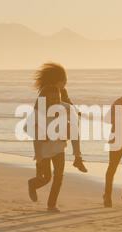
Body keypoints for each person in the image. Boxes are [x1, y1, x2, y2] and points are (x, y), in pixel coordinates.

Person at [28, 63, 81, 212]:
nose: (65, 83)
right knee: (46, 178)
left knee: (59, 175)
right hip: (44, 144)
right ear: (56, 80)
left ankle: (51, 205)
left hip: (59, 144)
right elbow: (34, 123)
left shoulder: (63, 92)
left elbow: (70, 107)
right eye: (64, 80)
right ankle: (33, 183)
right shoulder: (43, 96)